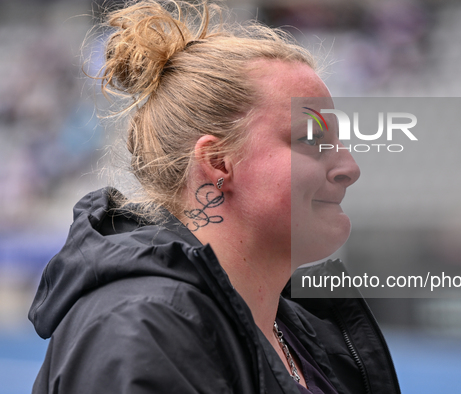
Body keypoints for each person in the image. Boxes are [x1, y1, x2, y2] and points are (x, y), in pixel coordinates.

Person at [28, 1, 400, 393]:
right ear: (218, 162)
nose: (349, 166)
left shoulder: (302, 330)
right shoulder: (141, 331)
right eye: (312, 139)